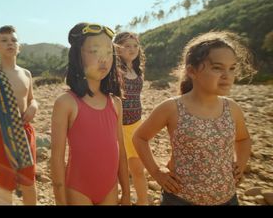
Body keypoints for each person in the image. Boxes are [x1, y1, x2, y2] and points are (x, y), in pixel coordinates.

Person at [132, 31, 256, 205]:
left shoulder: (232, 108)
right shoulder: (172, 107)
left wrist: (240, 165)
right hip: (180, 199)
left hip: (227, 198)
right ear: (192, 71)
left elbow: (243, 139)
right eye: (217, 68)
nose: (227, 76)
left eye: (232, 68)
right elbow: (140, 137)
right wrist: (157, 172)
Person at [50, 23, 130, 205]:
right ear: (78, 56)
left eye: (109, 52)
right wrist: (60, 202)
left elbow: (121, 152)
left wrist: (126, 193)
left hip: (110, 188)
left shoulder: (115, 103)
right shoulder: (66, 102)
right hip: (78, 189)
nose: (104, 59)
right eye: (94, 51)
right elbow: (56, 158)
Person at [0, 25, 38, 205]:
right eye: (4, 40)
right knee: (5, 184)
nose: (10, 43)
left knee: (28, 182)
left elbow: (32, 99)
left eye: (14, 40)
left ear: (20, 47)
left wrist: (34, 107)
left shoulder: (26, 74)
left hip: (24, 133)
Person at [114, 32, 149, 205]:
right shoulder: (114, 71)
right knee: (116, 169)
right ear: (117, 48)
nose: (132, 49)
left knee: (138, 168)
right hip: (116, 127)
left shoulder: (137, 70)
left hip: (136, 126)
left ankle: (143, 201)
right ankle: (121, 198)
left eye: (135, 46)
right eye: (127, 46)